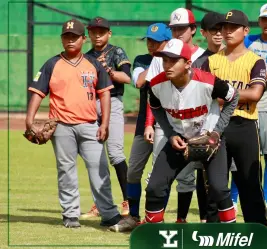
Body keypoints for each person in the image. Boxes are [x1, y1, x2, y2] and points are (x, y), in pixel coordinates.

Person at [109, 39, 239, 232]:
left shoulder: (207, 81)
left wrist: (218, 131)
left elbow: (233, 96)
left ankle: (231, 233)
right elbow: (155, 106)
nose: (167, 65)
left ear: (187, 63)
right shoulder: (156, 85)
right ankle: (155, 234)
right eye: (164, 60)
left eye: (173, 60)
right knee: (155, 187)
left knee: (219, 188)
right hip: (180, 139)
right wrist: (169, 134)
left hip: (210, 139)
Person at [26, 19, 123, 228]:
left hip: (90, 125)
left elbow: (105, 94)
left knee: (99, 168)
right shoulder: (52, 64)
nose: (70, 40)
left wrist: (104, 123)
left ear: (83, 39)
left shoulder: (93, 64)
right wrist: (29, 120)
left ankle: (108, 214)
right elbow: (37, 93)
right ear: (62, 39)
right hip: (61, 126)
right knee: (66, 170)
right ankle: (70, 215)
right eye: (66, 36)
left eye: (74, 37)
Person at [201, 9, 267, 226]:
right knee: (214, 185)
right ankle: (212, 234)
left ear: (246, 30)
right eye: (224, 27)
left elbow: (255, 94)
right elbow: (202, 94)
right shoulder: (211, 62)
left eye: (233, 27)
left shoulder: (255, 61)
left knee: (250, 184)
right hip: (215, 127)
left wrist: (223, 96)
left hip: (244, 125)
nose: (227, 31)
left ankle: (257, 233)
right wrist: (234, 95)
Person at [143, 7, 206, 223]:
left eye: (182, 28)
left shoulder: (204, 56)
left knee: (191, 176)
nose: (178, 32)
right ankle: (152, 219)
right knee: (156, 174)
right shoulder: (161, 57)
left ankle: (182, 219)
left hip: (198, 124)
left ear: (193, 29)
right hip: (168, 124)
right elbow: (153, 94)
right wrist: (150, 124)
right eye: (174, 28)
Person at [229, 3, 267, 207]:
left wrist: (257, 79)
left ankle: (263, 199)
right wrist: (266, 76)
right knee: (240, 155)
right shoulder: (248, 40)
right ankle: (234, 197)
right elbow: (236, 67)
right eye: (264, 19)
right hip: (245, 106)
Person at [81, 16, 132, 218]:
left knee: (115, 153)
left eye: (101, 31)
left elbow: (127, 78)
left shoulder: (116, 52)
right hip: (91, 105)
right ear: (88, 34)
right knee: (95, 157)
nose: (97, 35)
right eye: (93, 31)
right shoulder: (85, 57)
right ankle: (101, 204)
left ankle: (129, 201)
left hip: (113, 101)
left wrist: (108, 70)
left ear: (109, 33)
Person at [126, 23, 172, 223]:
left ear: (167, 42)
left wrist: (166, 60)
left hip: (168, 123)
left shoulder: (175, 61)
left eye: (156, 42)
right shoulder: (142, 60)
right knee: (133, 171)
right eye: (149, 41)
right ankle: (133, 216)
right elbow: (139, 82)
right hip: (143, 122)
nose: (151, 45)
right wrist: (156, 63)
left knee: (158, 175)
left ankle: (153, 218)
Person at [191, 11, 225, 223]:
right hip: (205, 124)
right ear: (203, 33)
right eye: (214, 30)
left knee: (224, 175)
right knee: (202, 172)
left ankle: (224, 217)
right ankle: (205, 217)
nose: (219, 34)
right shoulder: (199, 62)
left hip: (233, 122)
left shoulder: (234, 58)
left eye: (222, 29)